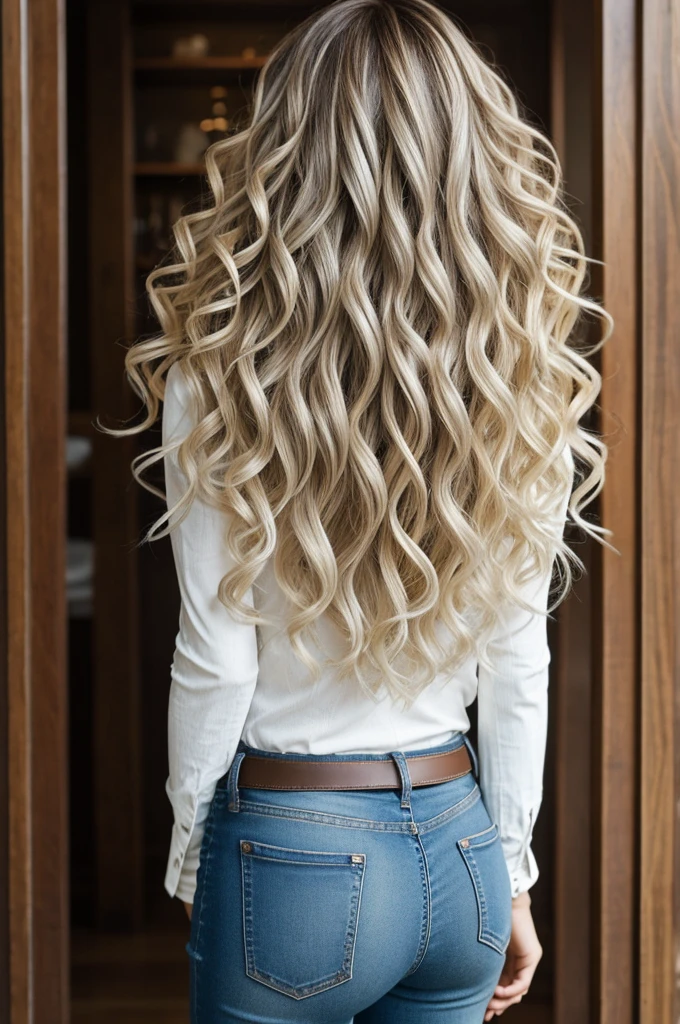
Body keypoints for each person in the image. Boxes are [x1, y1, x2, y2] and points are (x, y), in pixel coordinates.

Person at [114, 0, 612, 1020]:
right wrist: (510, 869)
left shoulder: (219, 373)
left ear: (282, 152)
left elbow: (216, 656)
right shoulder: (519, 373)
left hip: (292, 850)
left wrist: (191, 856)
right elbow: (518, 661)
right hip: (459, 846)